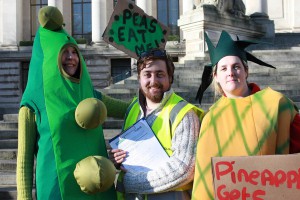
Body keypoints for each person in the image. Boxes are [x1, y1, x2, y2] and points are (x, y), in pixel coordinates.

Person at [17, 6, 129, 200]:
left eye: (74, 52)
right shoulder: (31, 105)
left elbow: (128, 109)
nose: (71, 58)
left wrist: (157, 97)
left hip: (98, 192)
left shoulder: (88, 93)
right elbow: (24, 161)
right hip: (56, 191)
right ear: (50, 58)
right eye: (64, 52)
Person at [192, 30, 300, 200]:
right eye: (224, 68)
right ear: (216, 76)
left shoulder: (277, 103)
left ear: (246, 71)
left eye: (236, 66)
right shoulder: (210, 119)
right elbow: (204, 176)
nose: (231, 72)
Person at [111, 48, 205, 200]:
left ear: (170, 78)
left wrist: (130, 182)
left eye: (160, 74)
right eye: (147, 74)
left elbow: (184, 169)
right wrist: (117, 159)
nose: (153, 81)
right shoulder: (133, 109)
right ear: (139, 78)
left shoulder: (184, 114)